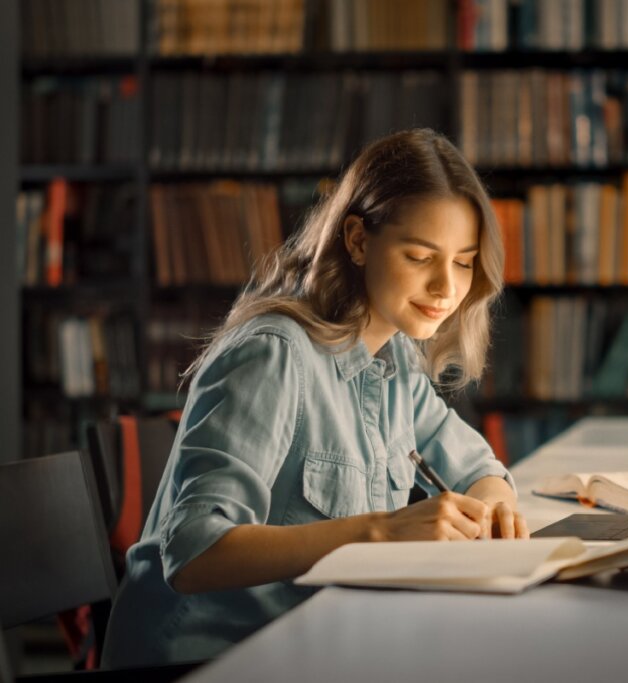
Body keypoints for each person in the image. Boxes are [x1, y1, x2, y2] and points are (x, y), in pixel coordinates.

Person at [102, 129, 528, 668]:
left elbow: (476, 468)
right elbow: (193, 552)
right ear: (357, 240)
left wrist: (495, 509)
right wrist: (381, 533)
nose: (447, 286)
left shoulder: (393, 359)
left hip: (315, 645)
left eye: (464, 261)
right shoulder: (272, 356)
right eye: (421, 256)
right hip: (204, 661)